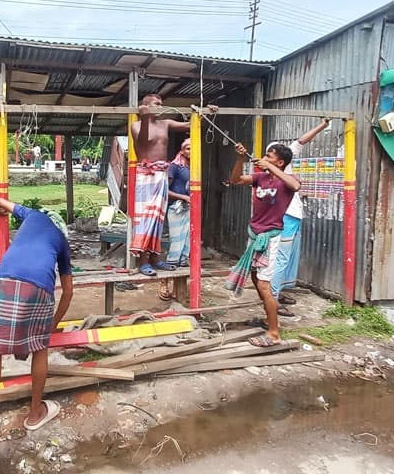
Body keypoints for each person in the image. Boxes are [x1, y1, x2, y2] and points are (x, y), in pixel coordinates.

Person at [0, 198, 74, 453]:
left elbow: (0, 202)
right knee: (40, 348)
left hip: (6, 276)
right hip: (39, 284)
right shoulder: (61, 240)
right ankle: (35, 413)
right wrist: (51, 327)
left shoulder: (34, 215)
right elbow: (68, 292)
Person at [129, 94, 215, 277]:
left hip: (161, 175)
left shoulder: (165, 123)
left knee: (158, 220)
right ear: (145, 105)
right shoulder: (136, 125)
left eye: (161, 104)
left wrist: (205, 113)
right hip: (145, 176)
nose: (160, 107)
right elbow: (143, 142)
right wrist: (144, 118)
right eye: (156, 104)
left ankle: (155, 259)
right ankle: (143, 262)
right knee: (144, 220)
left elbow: (193, 126)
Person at [224, 141, 301, 347]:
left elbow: (296, 186)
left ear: (281, 162)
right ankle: (270, 316)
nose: (265, 159)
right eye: (265, 156)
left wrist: (272, 168)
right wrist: (240, 158)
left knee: (264, 284)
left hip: (270, 237)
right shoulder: (260, 178)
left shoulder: (287, 181)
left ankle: (274, 333)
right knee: (256, 277)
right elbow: (235, 180)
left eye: (270, 156)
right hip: (255, 234)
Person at [269, 119, 331, 315]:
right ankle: (273, 298)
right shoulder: (276, 169)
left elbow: (300, 142)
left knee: (288, 258)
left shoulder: (282, 166)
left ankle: (279, 292)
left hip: (293, 215)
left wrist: (322, 125)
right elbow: (300, 142)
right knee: (281, 258)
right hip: (286, 216)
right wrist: (322, 125)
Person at [161, 139, 192, 299]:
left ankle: (177, 290)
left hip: (187, 208)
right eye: (187, 148)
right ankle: (164, 283)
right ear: (181, 150)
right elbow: (165, 189)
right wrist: (184, 197)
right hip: (176, 208)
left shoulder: (192, 167)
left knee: (184, 247)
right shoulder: (174, 166)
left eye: (193, 148)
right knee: (175, 244)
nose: (190, 151)